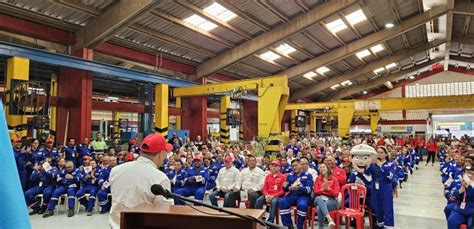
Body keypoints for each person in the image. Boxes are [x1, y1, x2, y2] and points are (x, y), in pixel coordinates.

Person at [109, 133, 173, 229]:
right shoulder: (160, 178)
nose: (166, 157)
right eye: (166, 152)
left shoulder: (116, 170)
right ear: (161, 153)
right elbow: (164, 214)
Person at [364, 146, 395, 229]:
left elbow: (391, 177)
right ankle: (380, 225)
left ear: (385, 154)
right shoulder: (373, 164)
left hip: (386, 188)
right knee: (377, 207)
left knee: (387, 208)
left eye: (381, 152)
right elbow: (366, 173)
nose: (379, 154)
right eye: (378, 152)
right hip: (375, 188)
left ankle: (388, 226)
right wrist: (368, 163)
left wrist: (382, 167)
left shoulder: (390, 164)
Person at [279, 159, 314, 229]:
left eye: (296, 165)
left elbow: (309, 189)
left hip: (304, 196)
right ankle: (289, 225)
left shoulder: (308, 175)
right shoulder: (290, 175)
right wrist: (285, 187)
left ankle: (299, 226)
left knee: (302, 205)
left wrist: (299, 188)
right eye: (293, 166)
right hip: (292, 195)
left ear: (300, 165)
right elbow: (286, 190)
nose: (294, 167)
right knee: (282, 201)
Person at [447, 164, 474, 229]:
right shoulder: (461, 182)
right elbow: (452, 196)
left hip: (472, 212)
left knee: (470, 225)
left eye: (472, 173)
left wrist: (468, 187)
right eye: (467, 173)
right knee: (452, 220)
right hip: (460, 211)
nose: (469, 175)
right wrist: (460, 190)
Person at [313, 163, 339, 228]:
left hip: (331, 199)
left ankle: (321, 227)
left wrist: (329, 189)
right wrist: (322, 189)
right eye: (320, 167)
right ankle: (329, 218)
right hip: (319, 198)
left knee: (319, 208)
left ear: (327, 168)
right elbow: (315, 192)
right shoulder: (318, 179)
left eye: (324, 167)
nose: (322, 168)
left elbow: (336, 194)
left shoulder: (334, 179)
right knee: (319, 198)